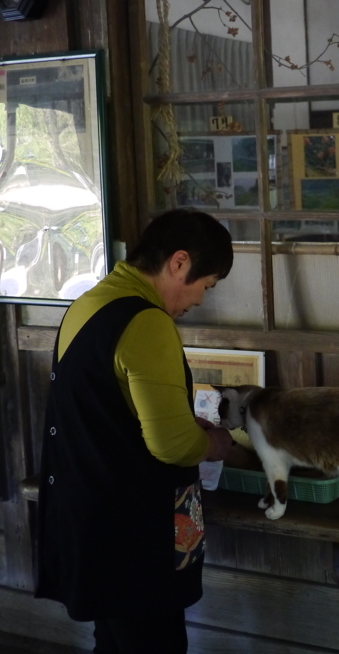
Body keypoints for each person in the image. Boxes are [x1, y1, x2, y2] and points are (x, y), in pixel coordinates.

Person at [35, 209, 236, 654]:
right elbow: (172, 445)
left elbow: (109, 410)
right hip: (132, 536)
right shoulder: (147, 322)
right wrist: (216, 443)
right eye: (207, 285)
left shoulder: (89, 304)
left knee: (113, 641)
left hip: (89, 518)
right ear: (179, 263)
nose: (201, 299)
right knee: (152, 643)